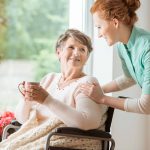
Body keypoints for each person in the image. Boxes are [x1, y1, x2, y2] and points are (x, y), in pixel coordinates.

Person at [0, 29, 107, 150]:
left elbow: (88, 122)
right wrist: (26, 99)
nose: (76, 53)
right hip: (36, 140)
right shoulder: (49, 79)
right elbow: (22, 119)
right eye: (71, 47)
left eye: (82, 49)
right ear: (59, 52)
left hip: (57, 144)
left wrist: (47, 100)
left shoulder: (87, 82)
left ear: (87, 57)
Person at [77, 0, 150, 114]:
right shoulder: (122, 46)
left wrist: (102, 98)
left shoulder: (147, 48)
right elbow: (129, 78)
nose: (99, 34)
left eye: (99, 27)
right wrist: (99, 90)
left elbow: (146, 106)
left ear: (115, 22)